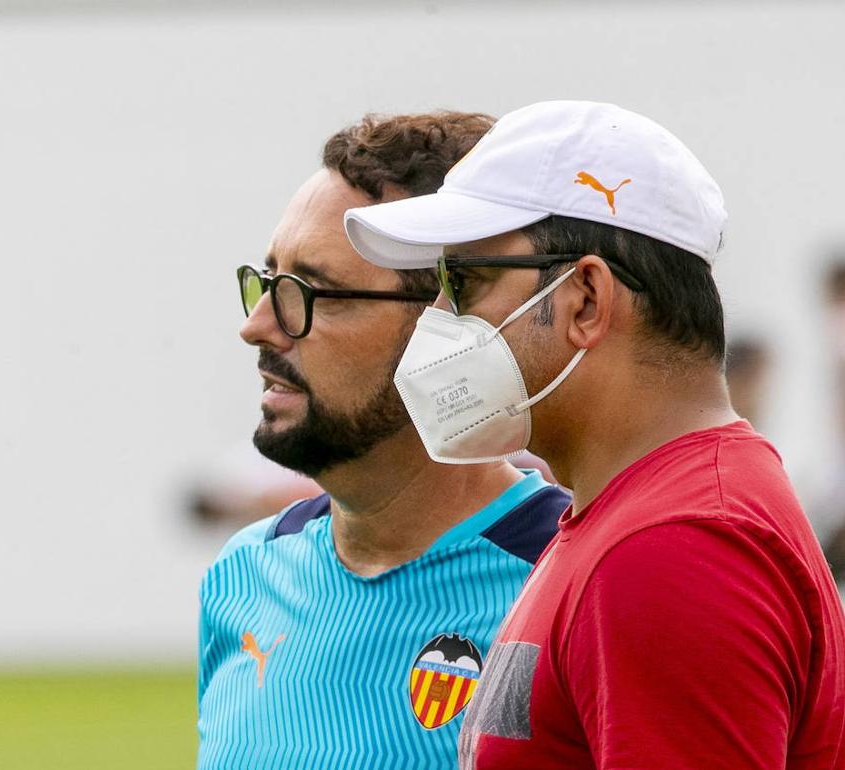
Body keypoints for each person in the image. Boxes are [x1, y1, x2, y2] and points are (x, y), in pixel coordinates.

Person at [345, 100, 845, 769]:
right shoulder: (639, 518)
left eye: (464, 282)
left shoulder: (674, 546)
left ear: (584, 298)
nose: (435, 317)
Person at [196, 112, 572, 770]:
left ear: (451, 323)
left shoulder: (572, 581)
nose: (258, 327)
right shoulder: (242, 575)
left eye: (309, 291)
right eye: (266, 281)